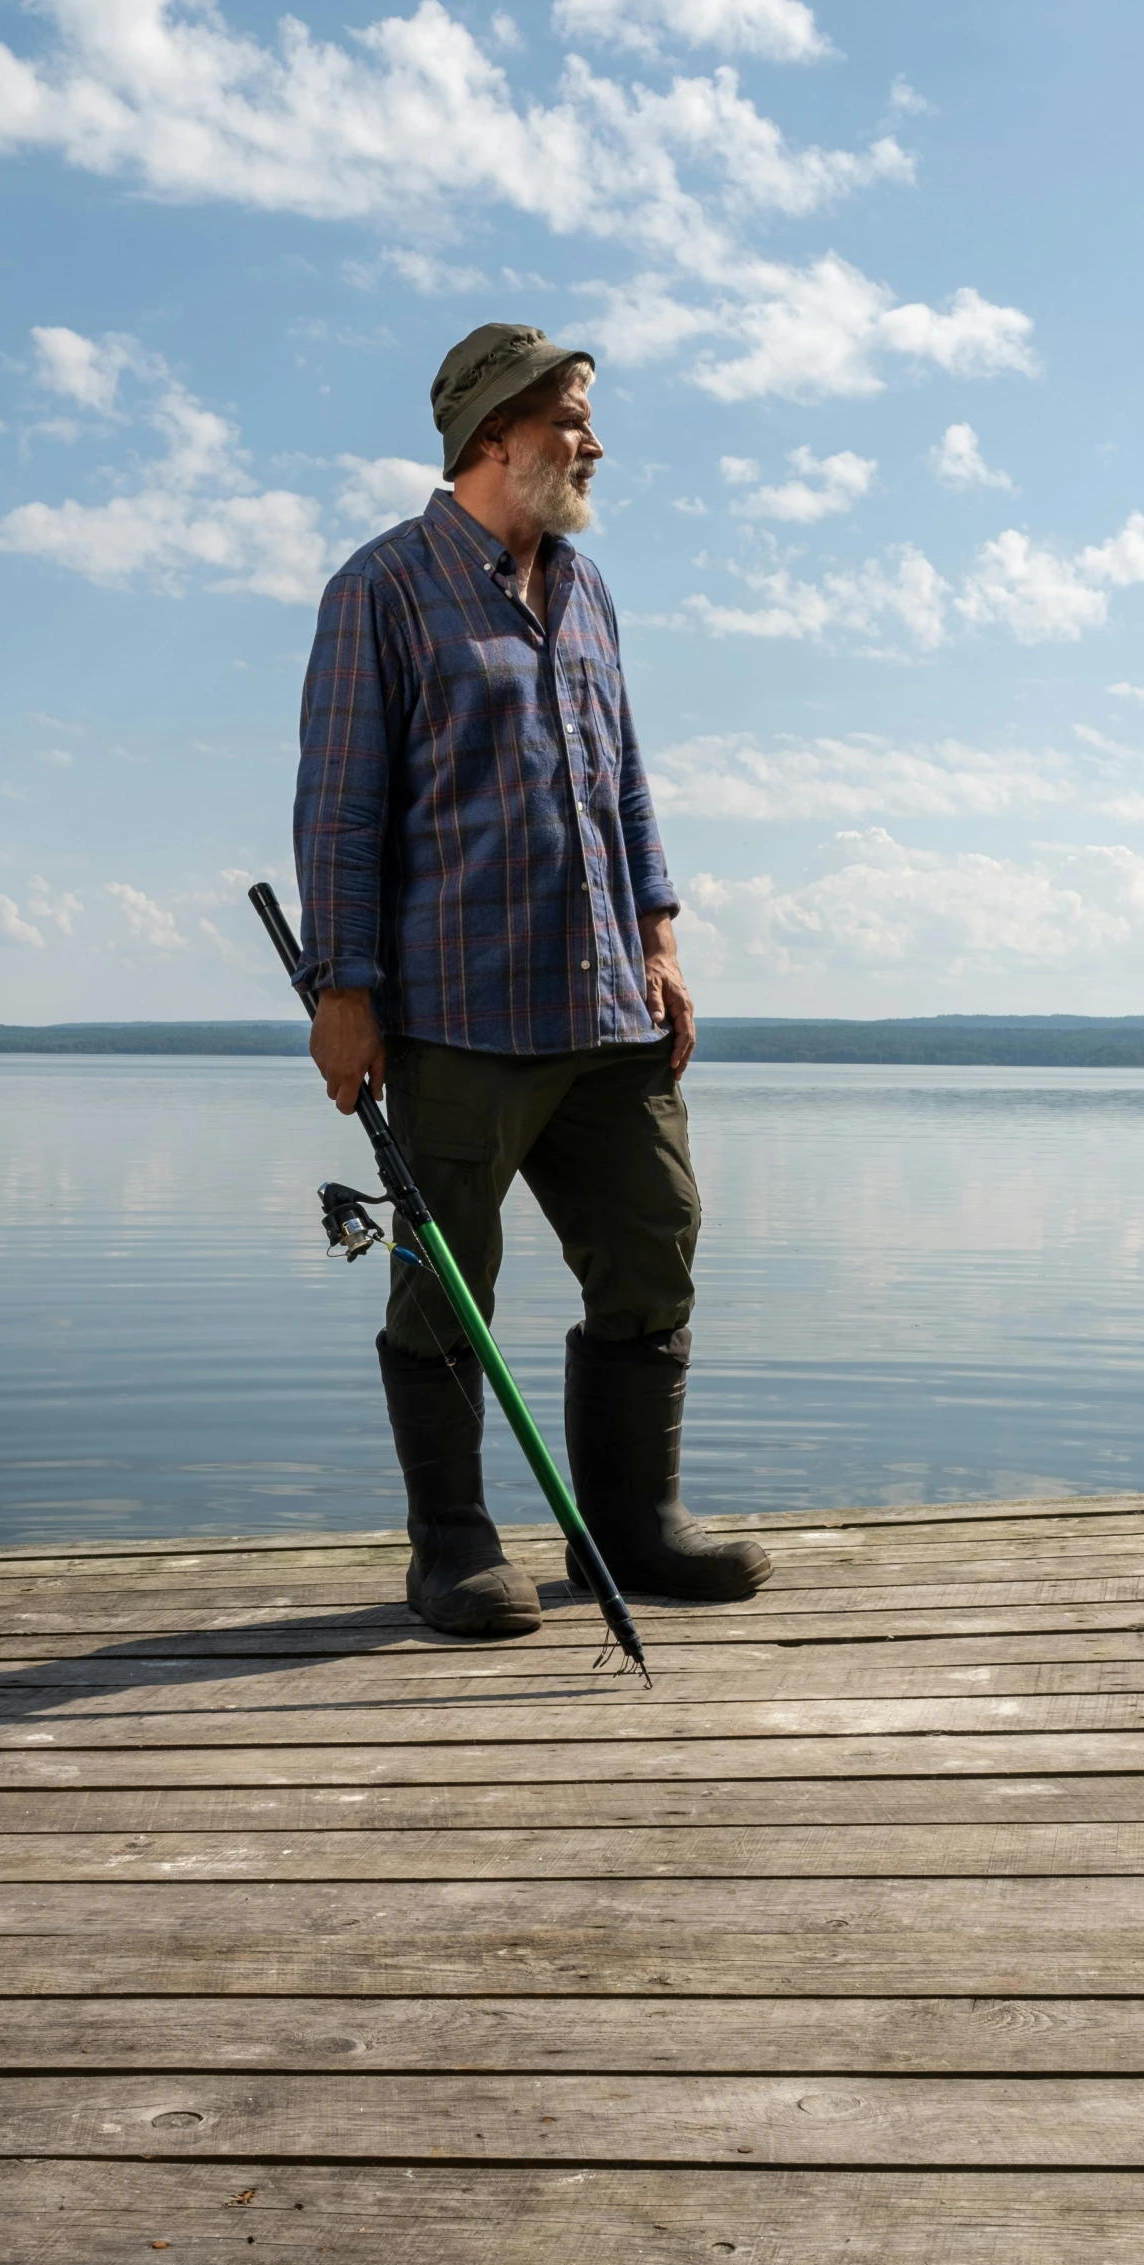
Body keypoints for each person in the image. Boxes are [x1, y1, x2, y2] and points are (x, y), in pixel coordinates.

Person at [291, 321, 770, 1638]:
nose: (592, 439)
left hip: (610, 1005)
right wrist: (345, 990)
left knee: (655, 1245)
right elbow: (338, 814)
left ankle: (632, 1527)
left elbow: (623, 781)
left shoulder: (589, 590)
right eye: (570, 416)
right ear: (492, 433)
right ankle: (450, 1546)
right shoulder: (378, 592)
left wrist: (660, 935)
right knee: (449, 1277)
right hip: (455, 1013)